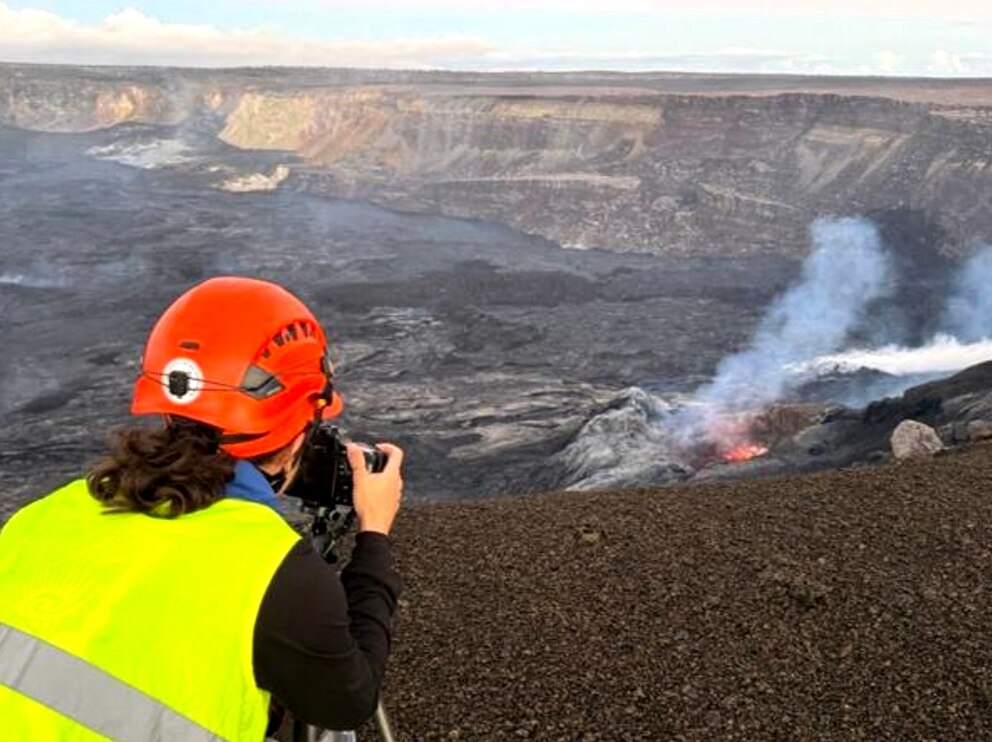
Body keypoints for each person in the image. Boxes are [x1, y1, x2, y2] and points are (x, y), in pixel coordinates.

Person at [0, 276, 404, 741]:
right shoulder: (272, 571)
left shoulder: (43, 514)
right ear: (300, 427)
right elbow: (347, 701)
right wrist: (374, 536)